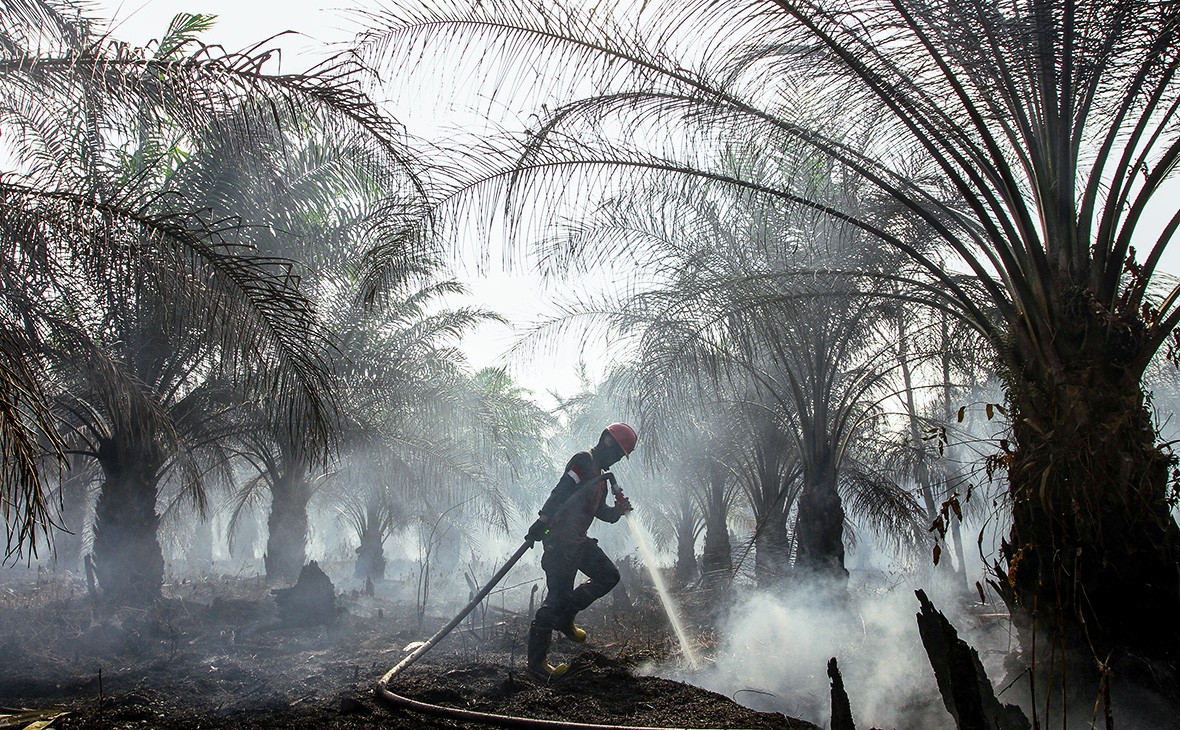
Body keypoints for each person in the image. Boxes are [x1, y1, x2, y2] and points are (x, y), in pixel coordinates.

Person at [524, 422, 638, 678]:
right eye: (619, 453)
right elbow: (562, 489)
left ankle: (567, 616)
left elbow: (600, 512)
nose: (618, 460)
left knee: (609, 575)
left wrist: (617, 513)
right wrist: (542, 522)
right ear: (607, 442)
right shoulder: (584, 461)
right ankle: (537, 665)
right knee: (555, 601)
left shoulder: (601, 478)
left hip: (578, 542)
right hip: (559, 543)